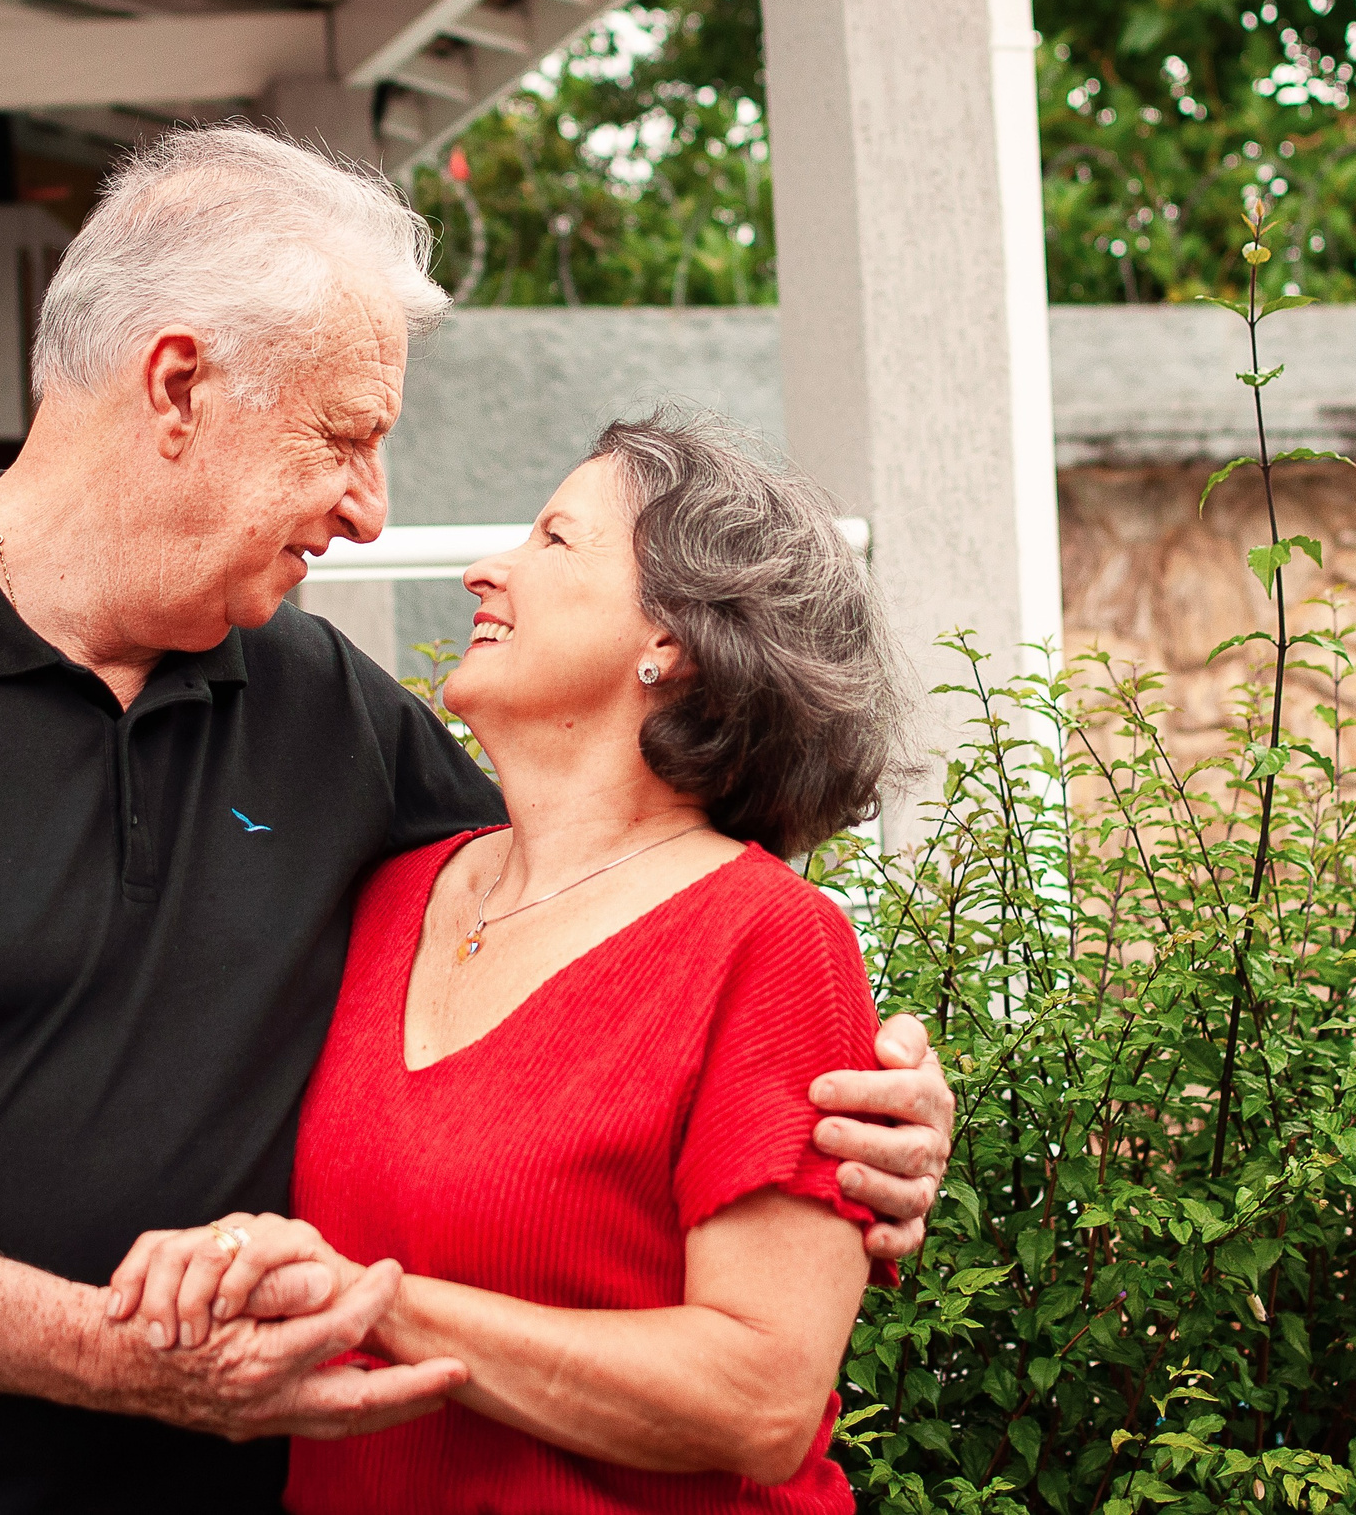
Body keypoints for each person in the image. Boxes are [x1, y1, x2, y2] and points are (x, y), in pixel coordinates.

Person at [0, 126, 954, 1514]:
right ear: (178, 386)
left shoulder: (323, 706)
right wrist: (110, 1356)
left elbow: (616, 915)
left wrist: (862, 1110)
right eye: (345, 438)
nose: (369, 510)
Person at [110, 412, 905, 1512]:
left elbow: (760, 1401)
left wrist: (368, 1303)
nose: (487, 567)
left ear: (668, 638)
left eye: (553, 540)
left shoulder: (766, 938)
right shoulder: (392, 891)